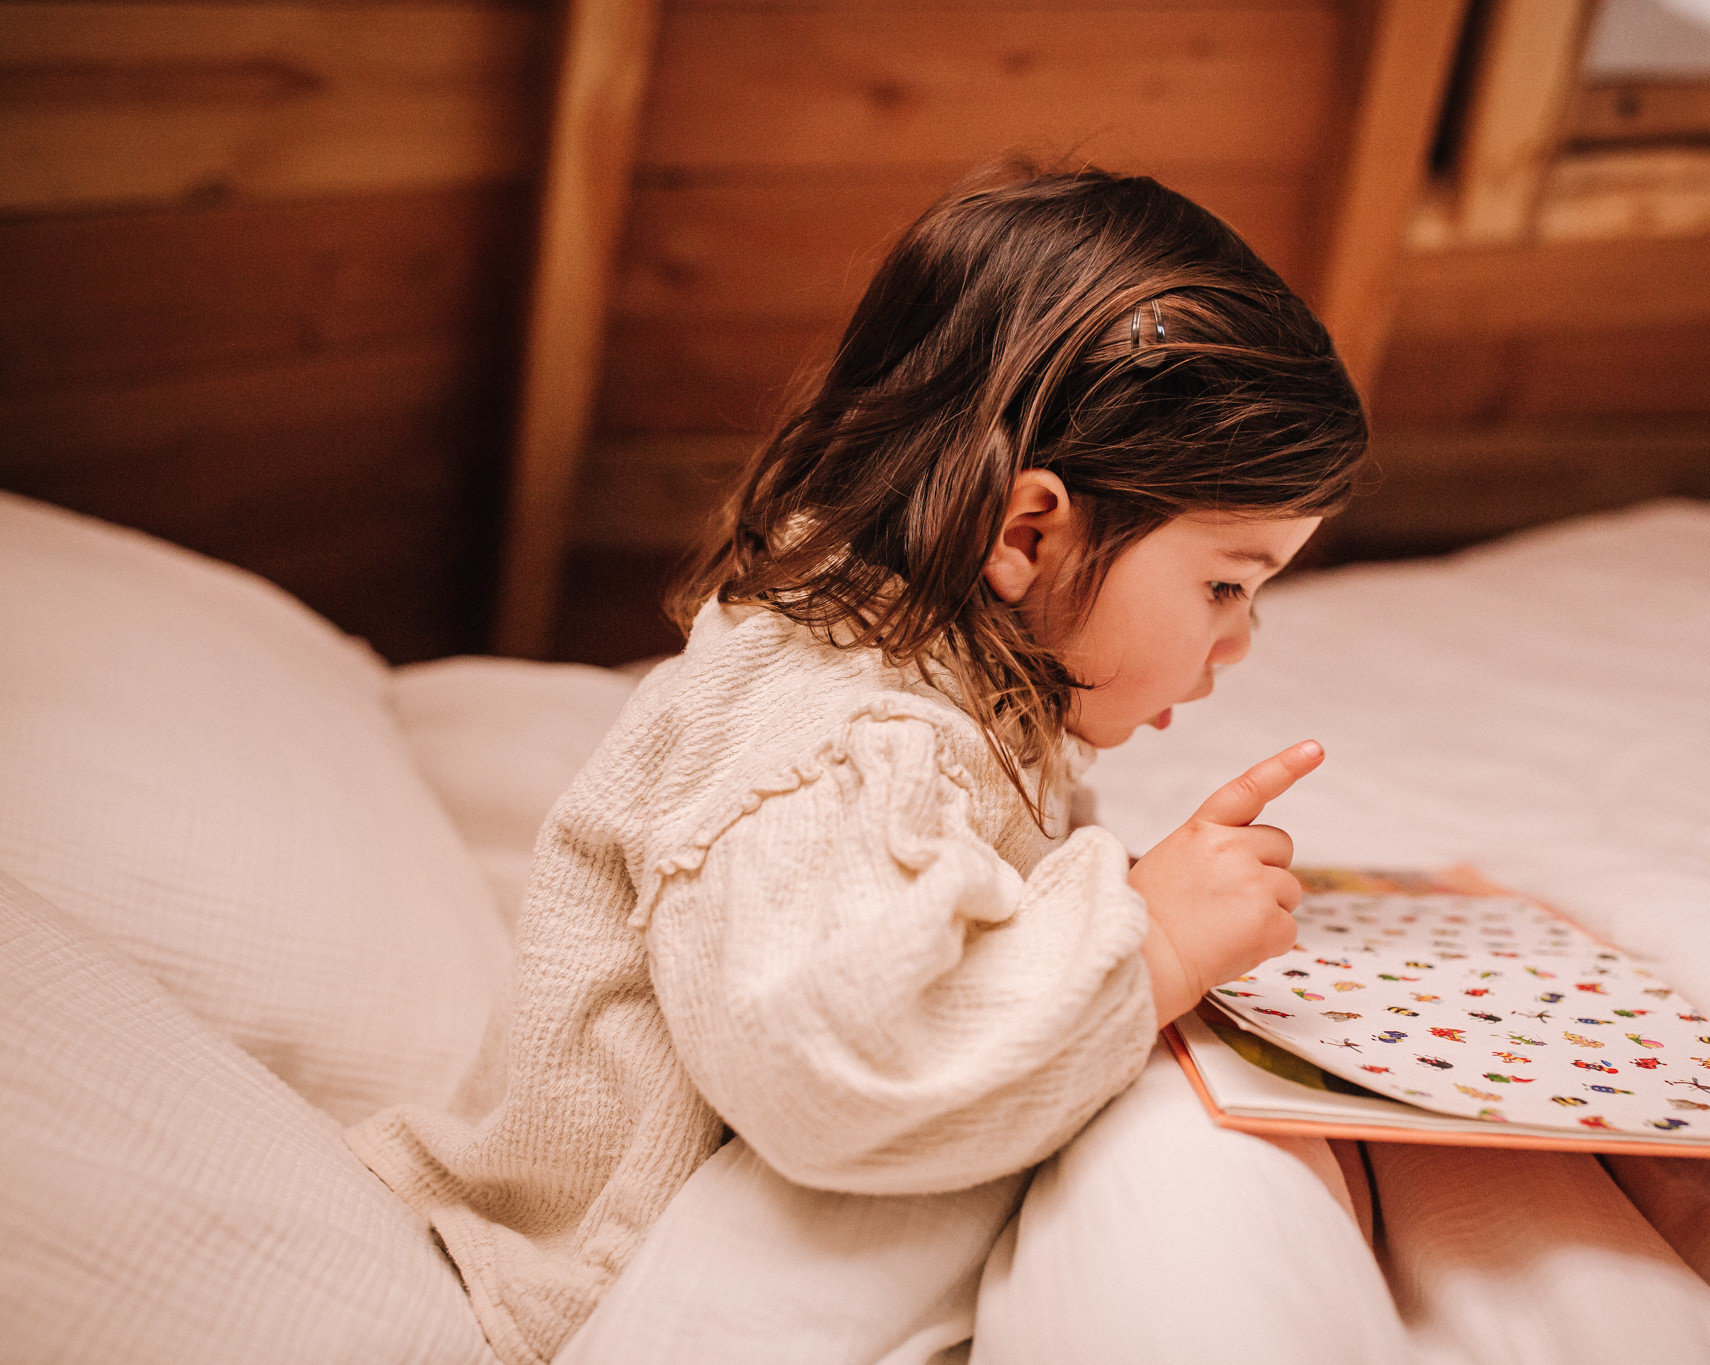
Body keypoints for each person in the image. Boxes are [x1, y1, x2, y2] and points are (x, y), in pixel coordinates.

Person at [347, 165, 1400, 1365]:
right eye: (1224, 585)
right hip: (623, 1272)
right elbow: (837, 1072)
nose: (1239, 642)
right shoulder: (836, 740)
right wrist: (1146, 945)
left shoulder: (969, 686)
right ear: (1026, 533)